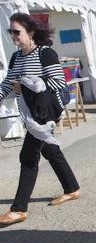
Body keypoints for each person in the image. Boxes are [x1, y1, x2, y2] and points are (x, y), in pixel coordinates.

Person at [0, 13, 80, 226]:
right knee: (50, 150)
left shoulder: (45, 53)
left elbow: (58, 82)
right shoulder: (16, 57)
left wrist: (26, 84)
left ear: (31, 32)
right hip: (29, 111)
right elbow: (8, 83)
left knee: (28, 156)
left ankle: (18, 209)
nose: (13, 36)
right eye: (11, 32)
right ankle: (72, 188)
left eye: (17, 32)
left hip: (46, 111)